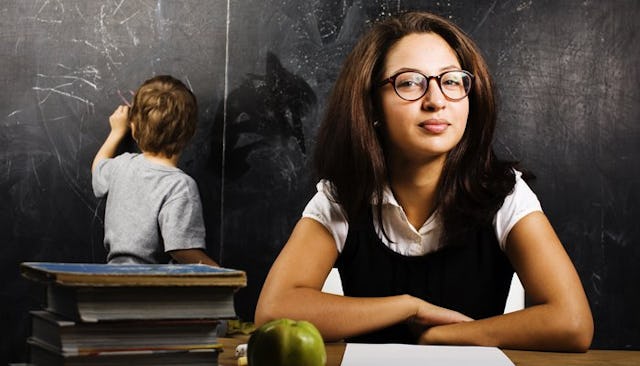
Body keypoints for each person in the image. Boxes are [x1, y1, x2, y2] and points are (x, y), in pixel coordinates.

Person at [255, 11, 593, 351]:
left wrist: (444, 335)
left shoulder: (503, 192)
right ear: (372, 107)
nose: (435, 101)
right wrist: (408, 307)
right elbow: (274, 311)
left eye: (451, 81)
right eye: (409, 82)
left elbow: (572, 323)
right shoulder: (342, 196)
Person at [92, 75, 218, 266]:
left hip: (112, 276)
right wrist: (218, 272)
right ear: (190, 133)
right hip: (153, 286)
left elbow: (98, 169)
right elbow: (181, 249)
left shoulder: (121, 166)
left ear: (133, 129)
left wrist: (116, 132)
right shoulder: (179, 185)